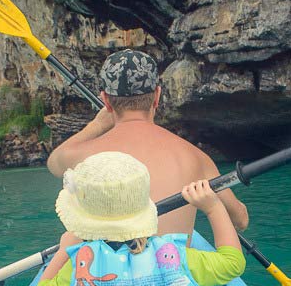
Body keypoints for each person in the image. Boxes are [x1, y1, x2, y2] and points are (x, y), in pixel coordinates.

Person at [34, 152, 245, 286]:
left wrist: (64, 250)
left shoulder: (79, 264)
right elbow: (233, 263)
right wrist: (214, 208)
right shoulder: (174, 255)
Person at [46, 49, 249, 237]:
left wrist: (97, 124)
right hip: (171, 271)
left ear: (106, 100)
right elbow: (240, 219)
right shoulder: (194, 156)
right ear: (157, 96)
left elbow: (54, 163)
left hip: (107, 270)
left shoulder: (84, 155)